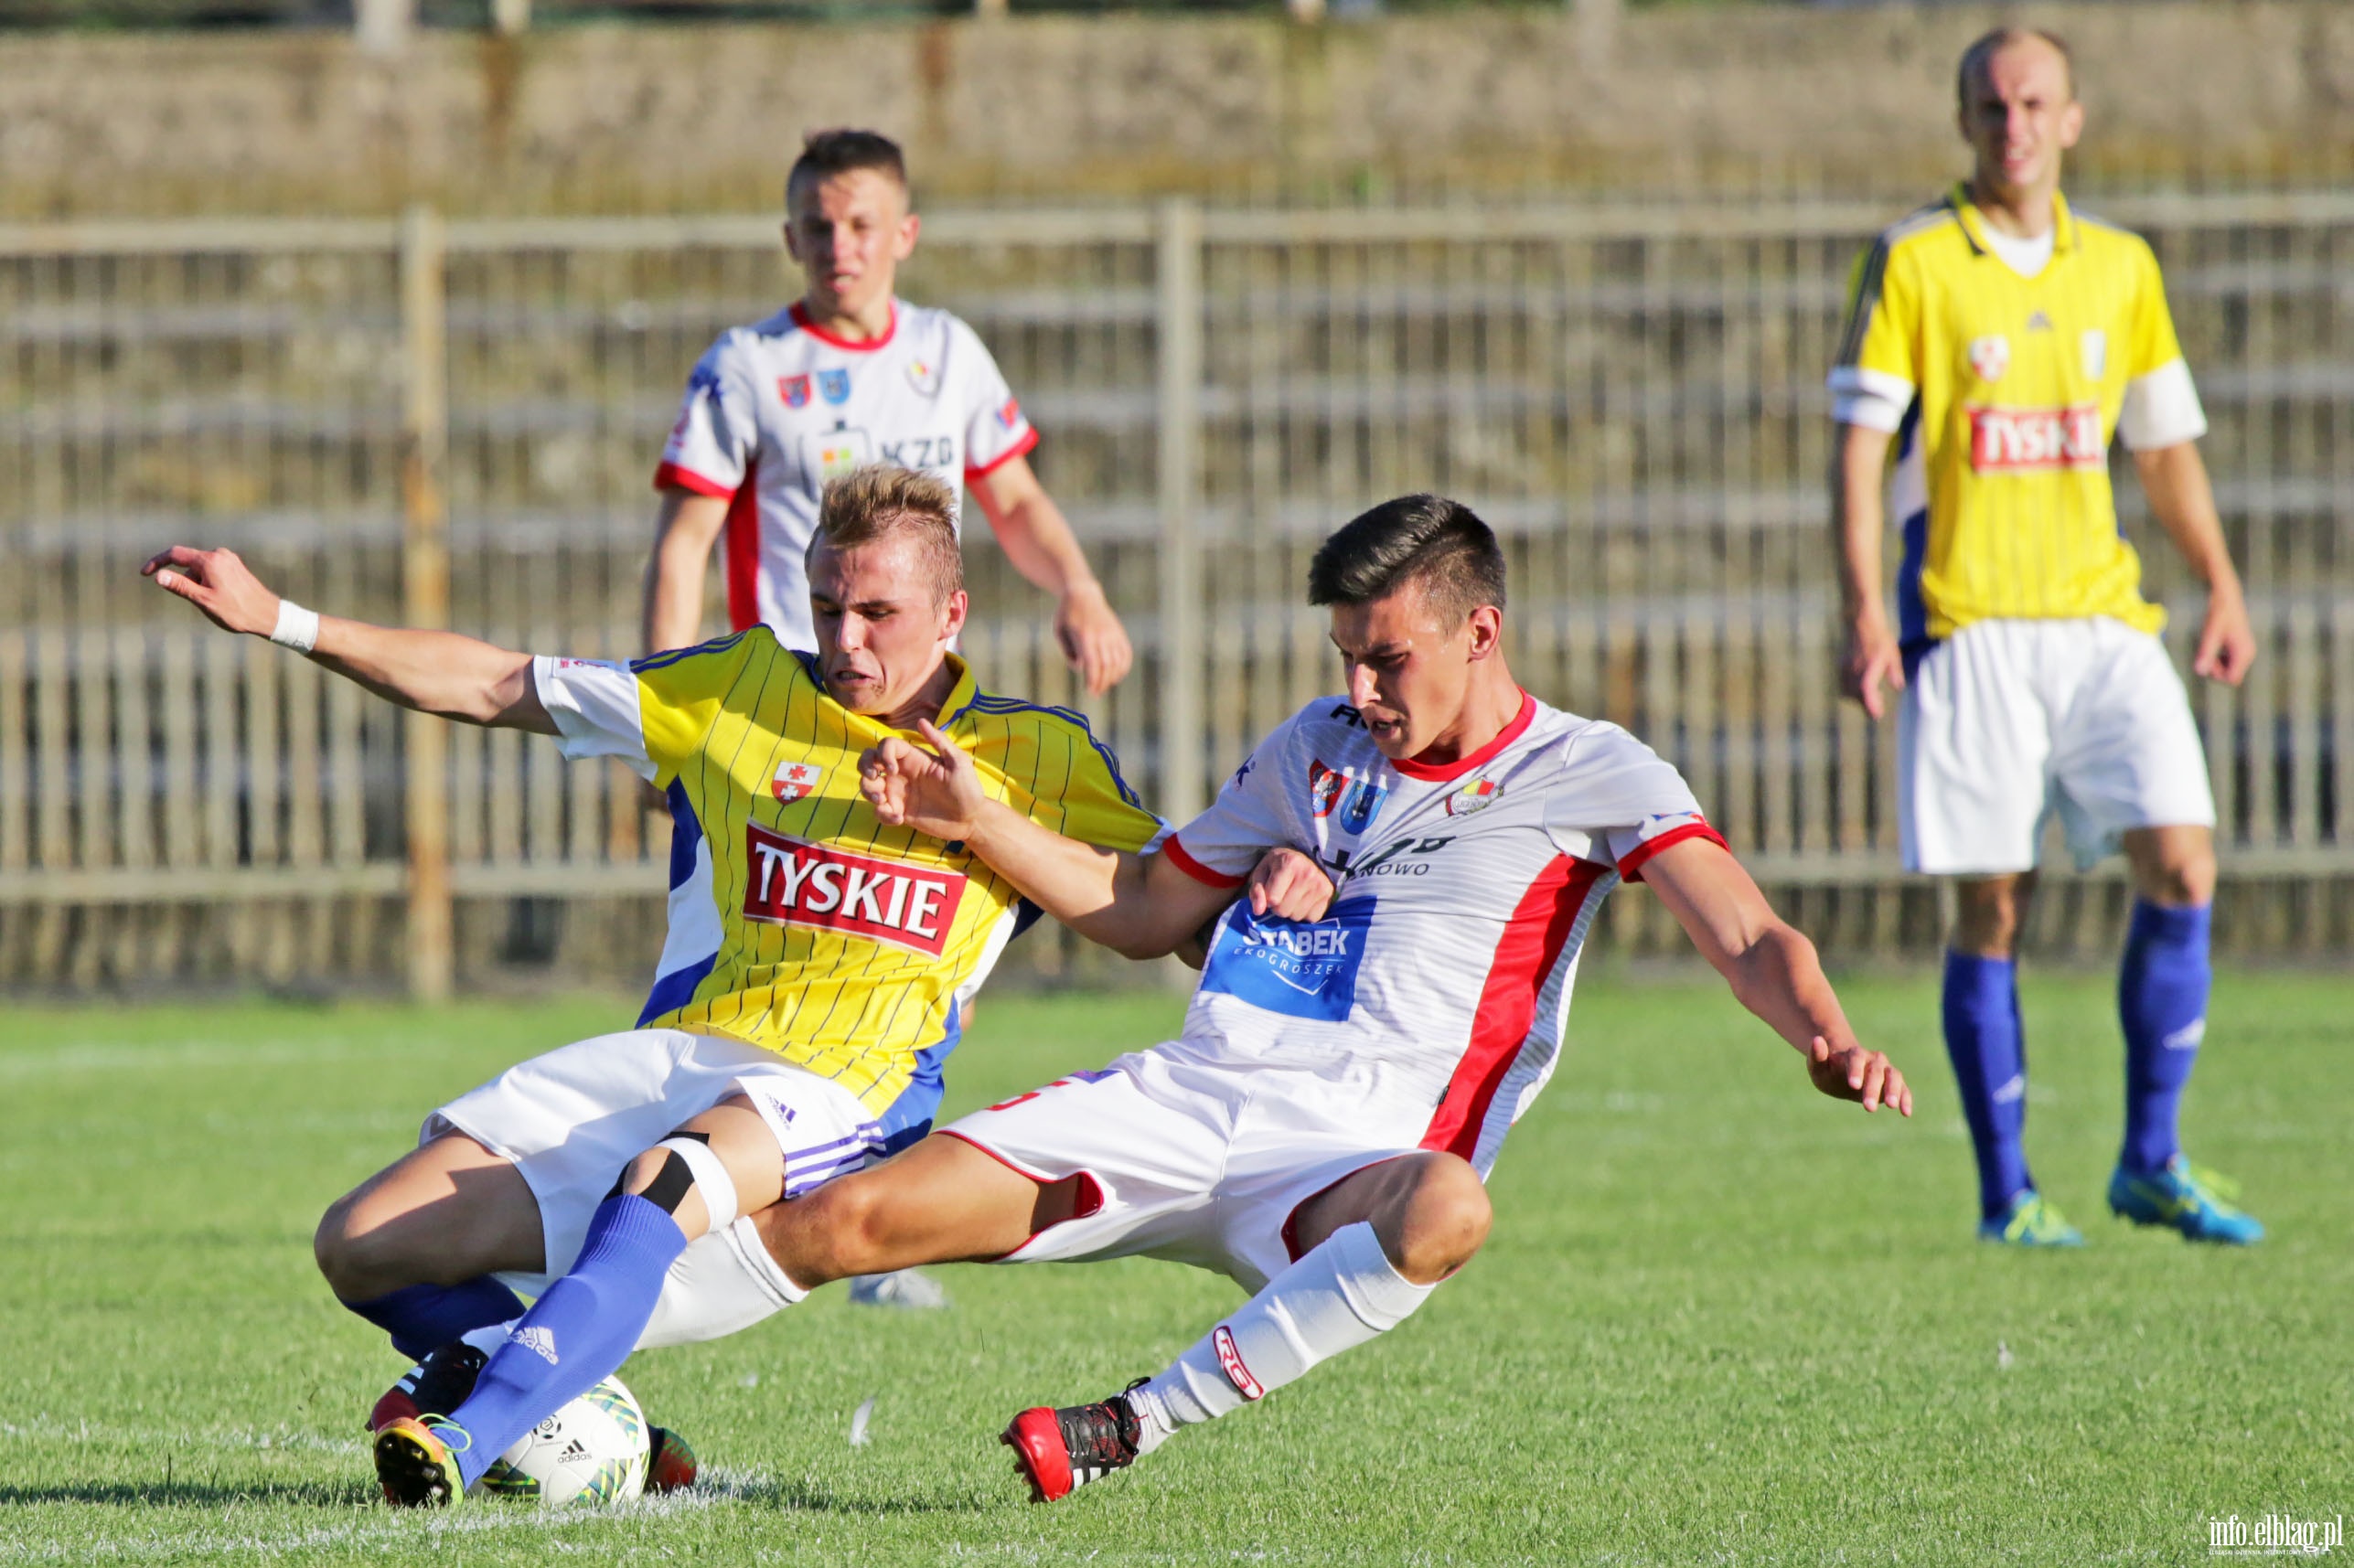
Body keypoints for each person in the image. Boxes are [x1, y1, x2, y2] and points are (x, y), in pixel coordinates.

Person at [608, 495, 1915, 1503]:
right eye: (1346, 656)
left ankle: (1135, 1420)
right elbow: (1137, 910)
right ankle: (535, 1371)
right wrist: (979, 819)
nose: (1359, 690)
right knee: (846, 1219)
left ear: (1480, 630)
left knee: (1452, 1205)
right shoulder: (1313, 748)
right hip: (1189, 1100)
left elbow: (1744, 927)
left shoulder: (1590, 770)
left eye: (1385, 659)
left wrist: (1827, 1033)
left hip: (1351, 1161)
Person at [140, 467, 1311, 1507]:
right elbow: (498, 683)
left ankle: (464, 1429)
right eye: (826, 605)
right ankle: (590, 1416)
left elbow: (1161, 909)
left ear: (953, 613)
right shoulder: (738, 687)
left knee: (671, 1176)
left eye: (879, 612)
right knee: (361, 1241)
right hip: (685, 1050)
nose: (847, 637)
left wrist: (1281, 891)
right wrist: (280, 619)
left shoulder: (1036, 753)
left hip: (847, 1085)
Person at [1828, 28, 2261, 1248]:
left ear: (2070, 118)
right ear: (1963, 122)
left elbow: (2162, 444)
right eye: (1988, 104)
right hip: (1966, 625)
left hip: (2102, 621)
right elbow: (1861, 449)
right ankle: (2007, 1189)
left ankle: (2150, 1157)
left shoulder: (2119, 266)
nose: (2010, 123)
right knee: (1993, 905)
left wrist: (2218, 583)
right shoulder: (1913, 260)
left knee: (2182, 862)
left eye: (2032, 102)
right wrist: (1865, 604)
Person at [644, 127, 1130, 697]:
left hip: (921, 702)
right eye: (818, 227)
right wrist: (660, 715)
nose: (838, 246)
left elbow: (1016, 501)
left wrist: (1079, 586)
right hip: (789, 706)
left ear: (905, 234)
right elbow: (683, 545)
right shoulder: (744, 365)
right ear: (791, 239)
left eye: (860, 225)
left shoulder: (948, 350)